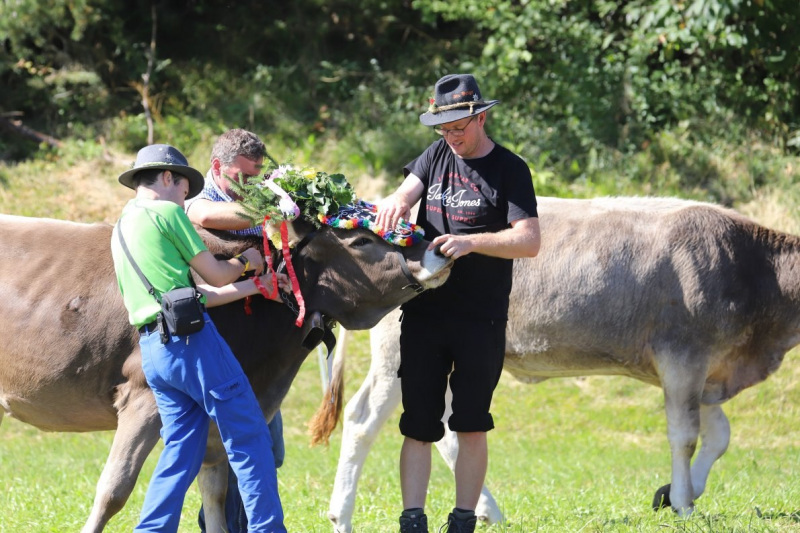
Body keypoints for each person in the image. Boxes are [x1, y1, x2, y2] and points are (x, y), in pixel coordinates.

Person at [375, 74, 541, 533]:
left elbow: (528, 241)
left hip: (480, 318)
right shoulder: (434, 157)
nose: (451, 138)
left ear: (481, 117)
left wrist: (473, 243)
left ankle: (463, 520)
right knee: (418, 424)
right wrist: (394, 203)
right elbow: (405, 193)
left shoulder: (510, 169)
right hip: (425, 313)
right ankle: (413, 521)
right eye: (443, 130)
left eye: (458, 129)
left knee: (470, 423)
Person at [110, 144, 287, 533]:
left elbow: (192, 297)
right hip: (194, 346)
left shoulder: (123, 225)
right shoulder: (169, 213)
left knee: (181, 452)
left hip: (155, 352)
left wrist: (257, 287)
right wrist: (247, 263)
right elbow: (217, 276)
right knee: (250, 437)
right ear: (168, 178)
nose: (185, 196)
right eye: (184, 187)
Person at [186, 128, 287, 533]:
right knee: (223, 451)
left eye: (258, 177)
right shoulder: (199, 201)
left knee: (271, 450)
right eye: (243, 178)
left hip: (262, 346)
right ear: (216, 169)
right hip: (217, 345)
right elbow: (203, 217)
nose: (251, 186)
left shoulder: (260, 196)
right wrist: (279, 209)